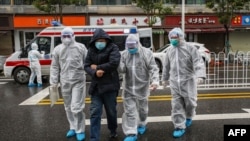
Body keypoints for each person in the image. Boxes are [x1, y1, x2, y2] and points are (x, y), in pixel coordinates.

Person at [161, 27, 206, 138]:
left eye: (175, 37)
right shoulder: (170, 50)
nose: (173, 40)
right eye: (171, 38)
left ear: (181, 37)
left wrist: (200, 75)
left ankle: (189, 116)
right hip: (175, 82)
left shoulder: (190, 48)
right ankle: (179, 126)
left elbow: (198, 62)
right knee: (176, 105)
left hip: (188, 81)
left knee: (190, 103)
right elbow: (166, 66)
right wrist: (164, 78)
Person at [119, 34, 159, 141]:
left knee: (143, 110)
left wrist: (155, 81)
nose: (131, 49)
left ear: (137, 43)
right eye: (129, 47)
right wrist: (118, 64)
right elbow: (121, 70)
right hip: (128, 88)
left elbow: (153, 68)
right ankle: (131, 133)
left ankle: (142, 123)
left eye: (133, 46)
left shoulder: (146, 53)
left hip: (142, 87)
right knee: (130, 111)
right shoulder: (124, 54)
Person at [50, 27, 88, 141]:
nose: (66, 38)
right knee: (67, 106)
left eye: (68, 36)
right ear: (61, 37)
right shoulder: (57, 49)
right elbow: (55, 66)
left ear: (73, 36)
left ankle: (80, 130)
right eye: (64, 36)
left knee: (76, 106)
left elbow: (88, 62)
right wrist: (53, 82)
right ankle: (72, 126)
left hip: (78, 81)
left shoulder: (81, 47)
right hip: (65, 80)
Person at [84, 28, 121, 141]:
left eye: (103, 40)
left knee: (111, 112)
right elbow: (86, 65)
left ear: (106, 40)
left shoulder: (113, 48)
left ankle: (113, 130)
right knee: (95, 112)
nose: (100, 42)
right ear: (94, 41)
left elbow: (114, 63)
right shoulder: (91, 50)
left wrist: (98, 67)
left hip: (110, 86)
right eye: (98, 40)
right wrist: (94, 72)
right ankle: (94, 138)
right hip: (96, 87)